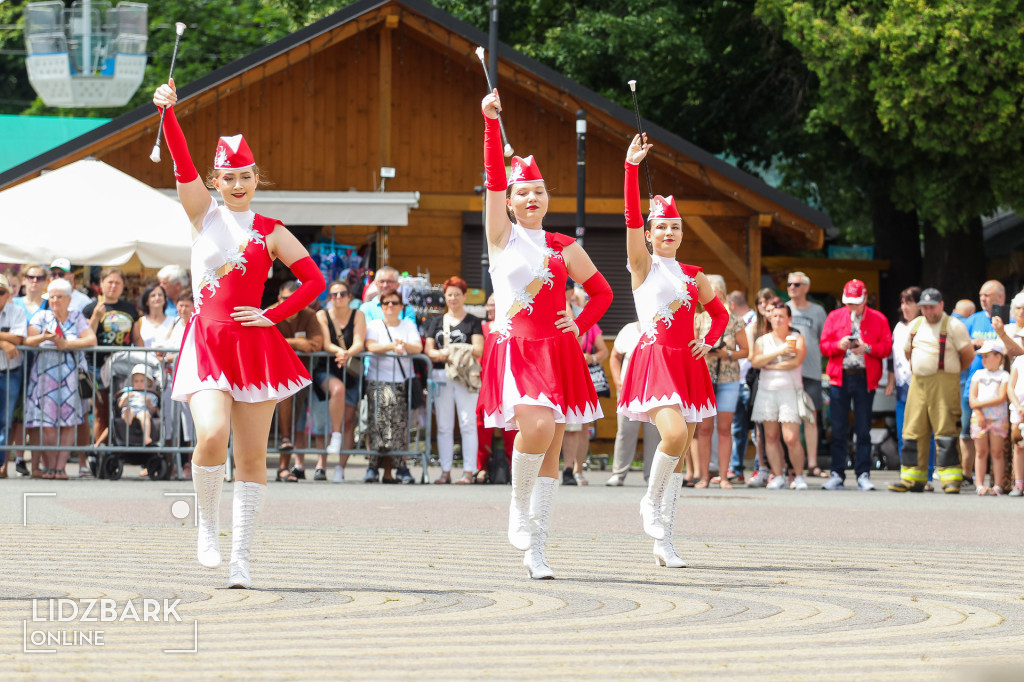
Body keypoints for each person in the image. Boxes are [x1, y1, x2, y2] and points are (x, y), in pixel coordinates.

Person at [154, 79, 326, 588]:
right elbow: (182, 164)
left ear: (256, 178)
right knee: (211, 434)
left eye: (244, 176)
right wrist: (169, 115)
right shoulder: (202, 214)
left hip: (255, 345)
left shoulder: (271, 229)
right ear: (217, 180)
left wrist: (274, 313)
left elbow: (314, 280)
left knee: (252, 457)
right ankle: (207, 526)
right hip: (207, 340)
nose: (236, 184)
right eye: (227, 176)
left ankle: (241, 559)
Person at [480, 89, 613, 579]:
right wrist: (491, 124)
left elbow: (601, 294)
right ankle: (517, 505)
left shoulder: (563, 247)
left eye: (538, 191)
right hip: (516, 347)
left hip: (559, 351)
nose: (530, 198)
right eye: (522, 192)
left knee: (554, 451)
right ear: (511, 202)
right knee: (535, 429)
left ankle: (537, 547)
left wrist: (577, 323)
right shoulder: (502, 236)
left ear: (546, 198)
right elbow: (494, 178)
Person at [619, 134, 726, 568]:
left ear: (682, 232)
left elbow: (718, 315)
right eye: (660, 226)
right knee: (676, 436)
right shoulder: (641, 264)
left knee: (681, 452)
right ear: (649, 234)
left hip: (687, 361)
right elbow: (629, 218)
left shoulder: (695, 274)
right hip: (655, 358)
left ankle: (665, 538)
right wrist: (630, 168)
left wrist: (710, 339)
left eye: (675, 227)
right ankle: (649, 503)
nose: (668, 232)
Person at [890, 288, 974, 493]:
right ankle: (912, 478)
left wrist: (949, 371)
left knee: (946, 429)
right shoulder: (916, 325)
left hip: (944, 381)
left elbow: (968, 356)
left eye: (932, 307)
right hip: (918, 383)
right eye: (924, 307)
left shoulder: (954, 326)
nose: (928, 311)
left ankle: (951, 479)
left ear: (941, 305)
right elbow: (908, 352)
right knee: (912, 429)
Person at [820, 279, 892, 491]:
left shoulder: (878, 318)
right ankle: (837, 473)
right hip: (839, 377)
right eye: (848, 302)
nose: (851, 307)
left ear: (865, 299)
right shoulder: (835, 316)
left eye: (855, 302)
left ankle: (863, 473)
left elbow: (887, 347)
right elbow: (824, 345)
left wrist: (868, 348)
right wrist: (838, 345)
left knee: (863, 428)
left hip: (864, 377)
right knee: (838, 428)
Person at [22, 278, 97, 479]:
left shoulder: (77, 316)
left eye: (59, 297)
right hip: (44, 379)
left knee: (68, 422)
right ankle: (50, 466)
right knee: (46, 424)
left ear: (68, 299)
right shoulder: (41, 316)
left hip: (71, 379)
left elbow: (91, 339)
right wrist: (45, 338)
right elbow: (29, 340)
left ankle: (60, 467)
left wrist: (66, 345)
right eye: (52, 296)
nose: (55, 300)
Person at [424, 276, 484, 484]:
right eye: (449, 295)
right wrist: (440, 354)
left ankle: (469, 471)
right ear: (445, 297)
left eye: (457, 295)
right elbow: (428, 349)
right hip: (441, 374)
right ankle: (445, 470)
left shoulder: (473, 321)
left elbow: (479, 348)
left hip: (465, 376)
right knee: (443, 425)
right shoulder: (436, 321)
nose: (453, 299)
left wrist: (452, 351)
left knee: (468, 423)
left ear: (464, 296)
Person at [693, 274, 749, 488]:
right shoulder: (699, 319)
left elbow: (745, 351)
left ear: (723, 295)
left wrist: (726, 353)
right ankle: (704, 476)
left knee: (725, 429)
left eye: (715, 293)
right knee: (704, 429)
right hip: (704, 377)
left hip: (728, 378)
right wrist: (704, 349)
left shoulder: (734, 320)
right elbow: (690, 346)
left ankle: (724, 477)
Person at [364, 290, 423, 483]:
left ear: (401, 306)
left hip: (401, 382)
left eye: (394, 303)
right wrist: (392, 347)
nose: (390, 306)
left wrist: (403, 344)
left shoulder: (408, 325)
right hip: (378, 380)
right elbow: (371, 346)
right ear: (381, 306)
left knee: (398, 426)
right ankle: (374, 467)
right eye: (386, 303)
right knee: (378, 425)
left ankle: (396, 467)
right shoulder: (374, 325)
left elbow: (418, 347)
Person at [749, 303, 810, 490]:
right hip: (767, 391)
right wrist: (779, 352)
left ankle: (798, 475)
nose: (777, 319)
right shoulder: (763, 340)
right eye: (774, 316)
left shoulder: (797, 338)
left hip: (789, 390)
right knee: (770, 435)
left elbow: (796, 362)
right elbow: (756, 361)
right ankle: (777, 475)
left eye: (781, 316)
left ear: (789, 319)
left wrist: (771, 364)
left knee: (791, 437)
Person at [271, 280, 324, 481]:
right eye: (286, 298)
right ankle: (249, 469)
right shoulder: (271, 313)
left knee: (291, 421)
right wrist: (299, 343)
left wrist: (282, 342)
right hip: (269, 375)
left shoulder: (308, 315)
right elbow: (262, 339)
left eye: (294, 298)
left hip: (297, 376)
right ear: (279, 298)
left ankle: (283, 467)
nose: (290, 302)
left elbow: (317, 343)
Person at [314, 279, 366, 483]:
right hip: (326, 368)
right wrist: (341, 352)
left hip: (350, 369)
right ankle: (331, 444)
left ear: (350, 297)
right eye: (334, 294)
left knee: (349, 420)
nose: (338, 298)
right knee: (337, 391)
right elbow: (326, 343)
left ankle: (340, 468)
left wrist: (346, 354)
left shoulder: (358, 314)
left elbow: (359, 342)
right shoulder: (322, 315)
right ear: (329, 298)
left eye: (342, 293)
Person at [885, 287, 936, 487]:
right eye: (903, 303)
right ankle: (907, 474)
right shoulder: (898, 328)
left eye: (909, 303)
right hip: (902, 387)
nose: (904, 307)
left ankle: (927, 476)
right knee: (903, 432)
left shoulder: (927, 326)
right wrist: (890, 381)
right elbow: (892, 358)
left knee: (925, 433)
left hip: (923, 385)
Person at [84, 267, 140, 447]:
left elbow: (137, 338)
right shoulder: (91, 307)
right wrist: (95, 317)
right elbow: (87, 337)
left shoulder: (129, 308)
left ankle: (114, 448)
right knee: (101, 411)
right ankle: (100, 451)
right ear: (101, 284)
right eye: (110, 282)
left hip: (123, 366)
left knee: (120, 409)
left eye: (117, 282)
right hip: (98, 366)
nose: (113, 286)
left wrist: (146, 360)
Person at [562, 293, 609, 486]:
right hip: (563, 372)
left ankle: (577, 469)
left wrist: (592, 358)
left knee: (582, 425)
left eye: (576, 302)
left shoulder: (590, 326)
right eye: (570, 302)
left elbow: (604, 351)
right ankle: (563, 468)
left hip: (583, 375)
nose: (572, 306)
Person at [605, 320, 660, 486]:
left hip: (654, 387)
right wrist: (616, 380)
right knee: (625, 431)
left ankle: (652, 475)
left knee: (654, 433)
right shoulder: (628, 329)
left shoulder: (661, 327)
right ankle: (618, 474)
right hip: (629, 388)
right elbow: (615, 355)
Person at [785, 271, 827, 478]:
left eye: (797, 284)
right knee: (789, 418)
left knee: (811, 417)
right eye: (789, 284)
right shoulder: (783, 309)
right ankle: (791, 463)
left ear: (806, 288)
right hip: (788, 373)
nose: (792, 287)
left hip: (810, 371)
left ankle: (812, 463)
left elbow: (823, 338)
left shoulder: (818, 311)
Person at [11, 264, 48, 476]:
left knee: (35, 415)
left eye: (39, 277)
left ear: (44, 280)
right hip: (16, 364)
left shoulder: (49, 304)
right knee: (15, 415)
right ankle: (16, 458)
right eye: (31, 276)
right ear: (24, 279)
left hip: (41, 365)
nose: (35, 280)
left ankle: (36, 463)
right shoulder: (14, 303)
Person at [474, 293, 515, 480]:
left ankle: (514, 465)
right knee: (482, 424)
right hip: (484, 382)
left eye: (495, 304)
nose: (491, 308)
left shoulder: (511, 326)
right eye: (489, 304)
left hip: (506, 381)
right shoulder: (481, 327)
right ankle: (482, 466)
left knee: (511, 425)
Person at [969, 341, 1009, 495]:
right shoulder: (978, 374)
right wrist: (979, 412)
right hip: (979, 418)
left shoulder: (1004, 375)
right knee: (981, 452)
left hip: (998, 419)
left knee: (997, 452)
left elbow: (1001, 397)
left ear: (999, 357)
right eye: (982, 357)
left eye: (987, 356)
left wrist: (979, 403)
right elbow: (972, 399)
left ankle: (997, 485)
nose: (983, 360)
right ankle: (980, 485)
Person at [726, 290, 756, 483]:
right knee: (738, 427)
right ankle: (736, 469)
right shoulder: (742, 320)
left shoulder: (753, 321)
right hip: (739, 380)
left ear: (733, 305)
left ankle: (757, 469)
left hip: (751, 379)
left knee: (757, 429)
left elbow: (749, 352)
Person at [0, 273, 27, 474]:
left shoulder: (17, 311)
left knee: (5, 421)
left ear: (8, 294)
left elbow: (18, 338)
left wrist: (10, 342)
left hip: (10, 372)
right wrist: (3, 343)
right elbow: (12, 338)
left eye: (1, 292)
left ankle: (1, 464)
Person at [114, 364, 159, 447]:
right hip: (130, 409)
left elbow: (154, 410)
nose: (139, 384)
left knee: (144, 415)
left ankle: (146, 437)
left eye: (142, 381)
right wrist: (126, 398)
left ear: (149, 382)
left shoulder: (151, 394)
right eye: (136, 381)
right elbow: (120, 405)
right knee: (127, 411)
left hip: (143, 411)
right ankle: (129, 423)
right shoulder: (128, 392)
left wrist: (149, 403)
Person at [1007, 348, 1024, 496]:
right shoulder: (1018, 360)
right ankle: (1019, 483)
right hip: (1018, 410)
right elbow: (1010, 387)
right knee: (1018, 445)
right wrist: (1019, 406)